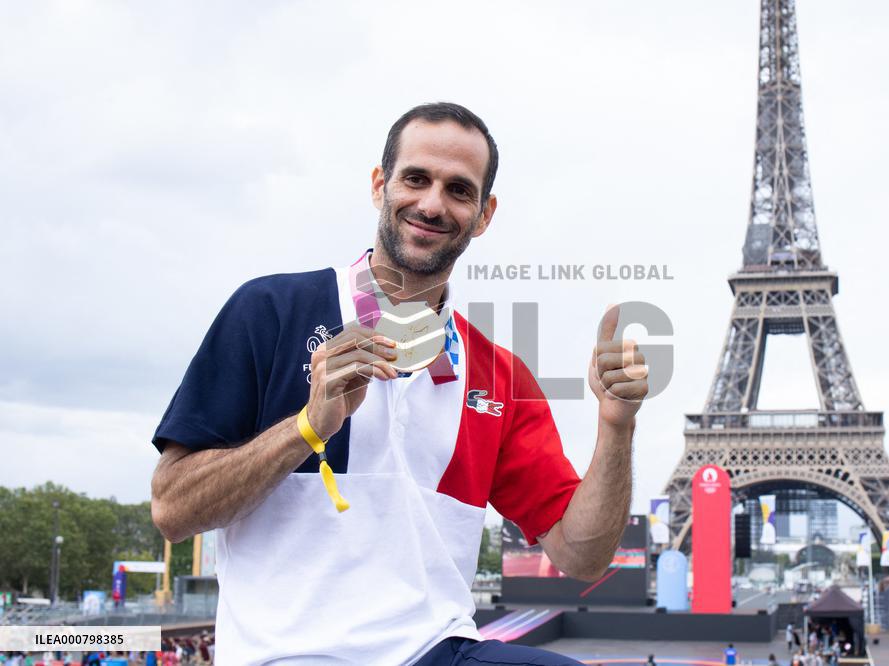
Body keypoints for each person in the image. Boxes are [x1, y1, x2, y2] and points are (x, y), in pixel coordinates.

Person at [149, 102, 650, 665]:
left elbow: (580, 555)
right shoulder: (269, 311)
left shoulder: (500, 375)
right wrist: (306, 429)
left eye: (459, 190)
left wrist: (616, 427)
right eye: (417, 178)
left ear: (484, 215)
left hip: (436, 651)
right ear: (379, 185)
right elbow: (172, 510)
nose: (433, 204)